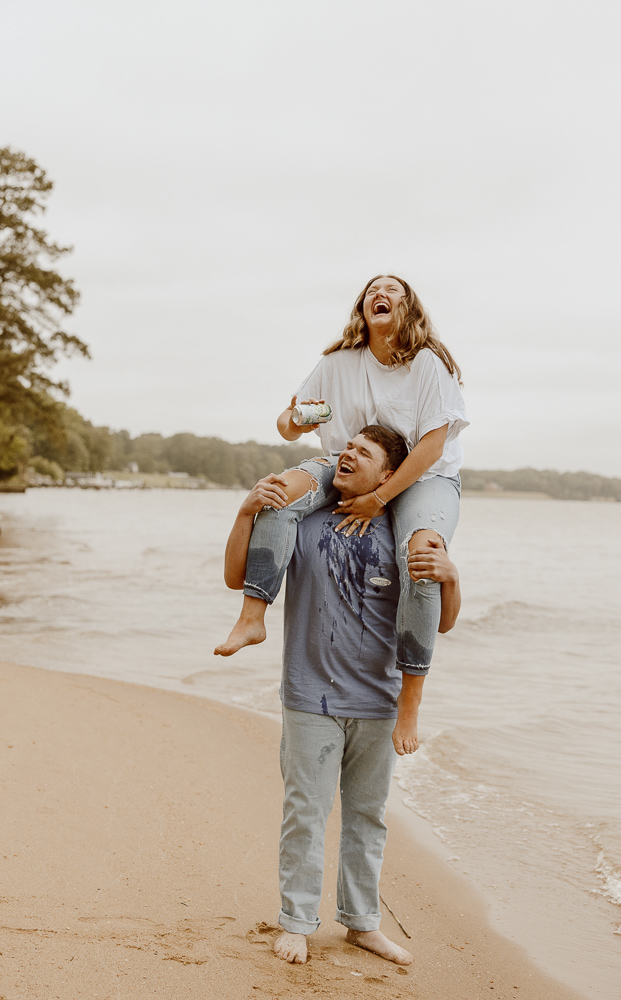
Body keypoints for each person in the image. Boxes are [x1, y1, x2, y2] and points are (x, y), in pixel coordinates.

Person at [216, 426, 461, 964]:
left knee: (367, 817)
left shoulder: (406, 531)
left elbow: (439, 623)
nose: (347, 455)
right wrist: (244, 513)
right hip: (310, 697)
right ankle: (297, 922)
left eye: (364, 453)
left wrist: (452, 577)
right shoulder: (302, 521)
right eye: (347, 448)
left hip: (379, 703)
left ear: (389, 476)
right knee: (305, 812)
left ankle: (362, 923)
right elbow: (238, 577)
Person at [217, 275, 468, 686]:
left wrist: (381, 498)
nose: (380, 295)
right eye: (372, 291)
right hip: (346, 461)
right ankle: (251, 618)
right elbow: (287, 423)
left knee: (421, 557)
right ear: (362, 307)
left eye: (392, 291)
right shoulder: (337, 363)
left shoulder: (425, 363)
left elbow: (432, 448)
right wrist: (297, 419)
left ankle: (410, 698)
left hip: (426, 476)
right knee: (278, 494)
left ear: (408, 308)